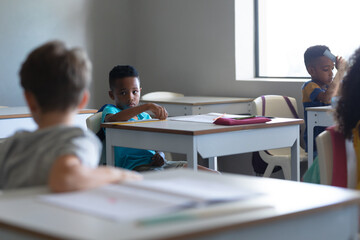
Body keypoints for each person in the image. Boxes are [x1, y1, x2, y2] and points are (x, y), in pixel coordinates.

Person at [0, 41, 141, 192]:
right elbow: (66, 177)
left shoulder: (11, 146)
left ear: (29, 100)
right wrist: (116, 174)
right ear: (83, 100)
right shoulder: (79, 141)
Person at [102, 65, 216, 172]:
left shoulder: (145, 117)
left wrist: (160, 155)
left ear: (140, 91)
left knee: (212, 175)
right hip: (137, 169)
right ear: (112, 95)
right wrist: (147, 106)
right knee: (174, 182)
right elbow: (112, 120)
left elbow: (157, 144)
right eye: (123, 93)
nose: (130, 97)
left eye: (134, 92)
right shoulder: (111, 111)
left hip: (162, 165)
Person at [302, 45, 347, 154]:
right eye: (326, 69)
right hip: (316, 144)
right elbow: (327, 98)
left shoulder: (328, 87)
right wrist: (339, 72)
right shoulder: (309, 86)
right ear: (311, 70)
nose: (331, 73)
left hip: (331, 141)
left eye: (332, 69)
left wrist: (344, 71)